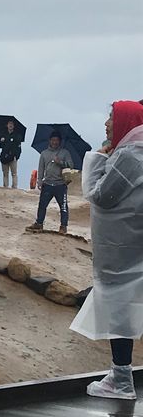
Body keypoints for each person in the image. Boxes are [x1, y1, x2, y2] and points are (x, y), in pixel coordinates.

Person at [70, 100, 143, 400]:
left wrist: (96, 158)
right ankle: (119, 374)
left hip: (122, 254)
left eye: (111, 117)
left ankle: (122, 380)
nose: (106, 123)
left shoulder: (130, 156)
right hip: (129, 248)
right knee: (124, 310)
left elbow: (101, 195)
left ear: (126, 120)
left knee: (120, 311)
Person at [27, 131, 73, 234]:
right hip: (47, 183)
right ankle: (39, 223)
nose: (54, 142)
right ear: (49, 141)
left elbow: (70, 165)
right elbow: (41, 168)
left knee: (63, 207)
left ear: (60, 141)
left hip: (60, 184)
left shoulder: (65, 152)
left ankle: (63, 226)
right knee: (42, 205)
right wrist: (39, 181)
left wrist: (60, 162)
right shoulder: (44, 153)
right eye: (53, 140)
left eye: (56, 140)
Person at [0, 119, 22, 188]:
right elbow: (0, 146)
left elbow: (19, 147)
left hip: (13, 157)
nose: (10, 125)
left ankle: (14, 186)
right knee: (5, 173)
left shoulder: (17, 135)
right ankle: (5, 186)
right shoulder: (3, 134)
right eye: (9, 124)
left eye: (12, 124)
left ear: (14, 126)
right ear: (7, 125)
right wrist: (2, 141)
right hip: (4, 157)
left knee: (14, 173)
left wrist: (17, 156)